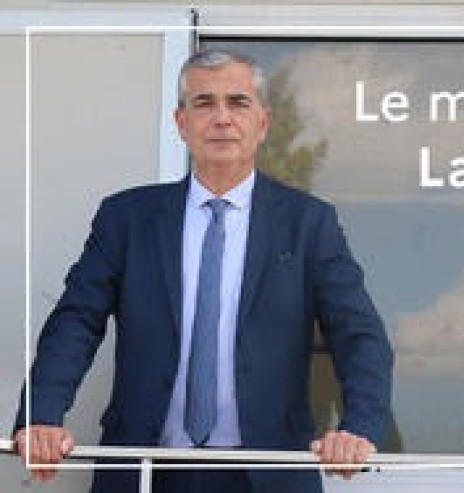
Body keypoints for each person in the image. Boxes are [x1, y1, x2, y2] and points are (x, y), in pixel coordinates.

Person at [12, 48, 394, 493]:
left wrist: (359, 427)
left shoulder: (308, 223)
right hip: (146, 469)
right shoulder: (127, 219)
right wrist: (41, 415)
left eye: (238, 102)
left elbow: (358, 334)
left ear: (263, 123)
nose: (222, 118)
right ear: (181, 122)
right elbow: (76, 321)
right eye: (204, 103)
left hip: (268, 473)